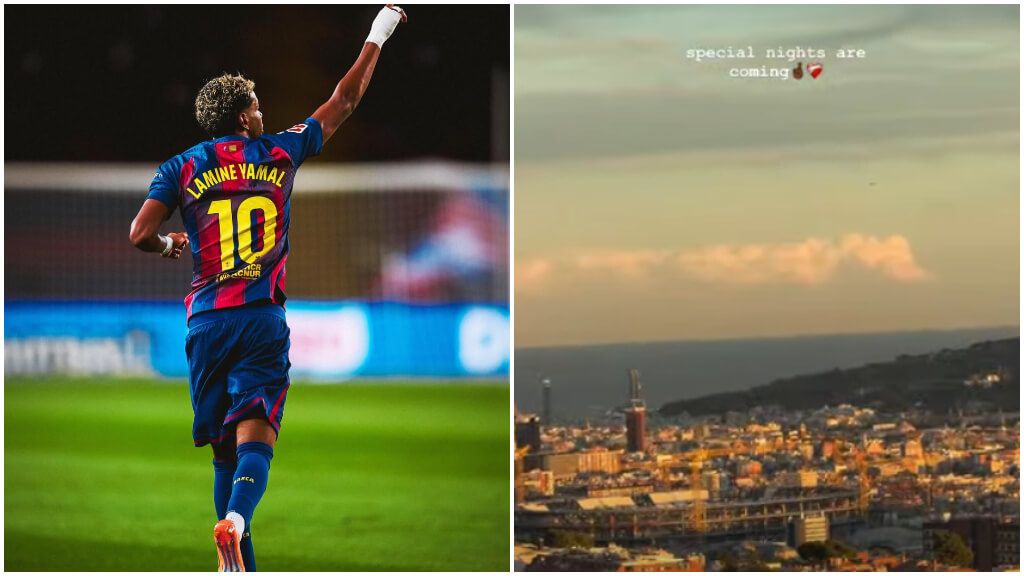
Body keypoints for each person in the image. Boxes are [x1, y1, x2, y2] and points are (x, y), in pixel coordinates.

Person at [128, 6, 407, 571]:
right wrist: (381, 29)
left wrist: (168, 245)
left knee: (222, 456)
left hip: (206, 323)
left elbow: (139, 235)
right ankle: (235, 520)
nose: (262, 112)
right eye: (255, 105)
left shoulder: (181, 167)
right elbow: (344, 100)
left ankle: (237, 557)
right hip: (260, 317)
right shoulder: (279, 152)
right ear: (242, 116)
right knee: (257, 439)